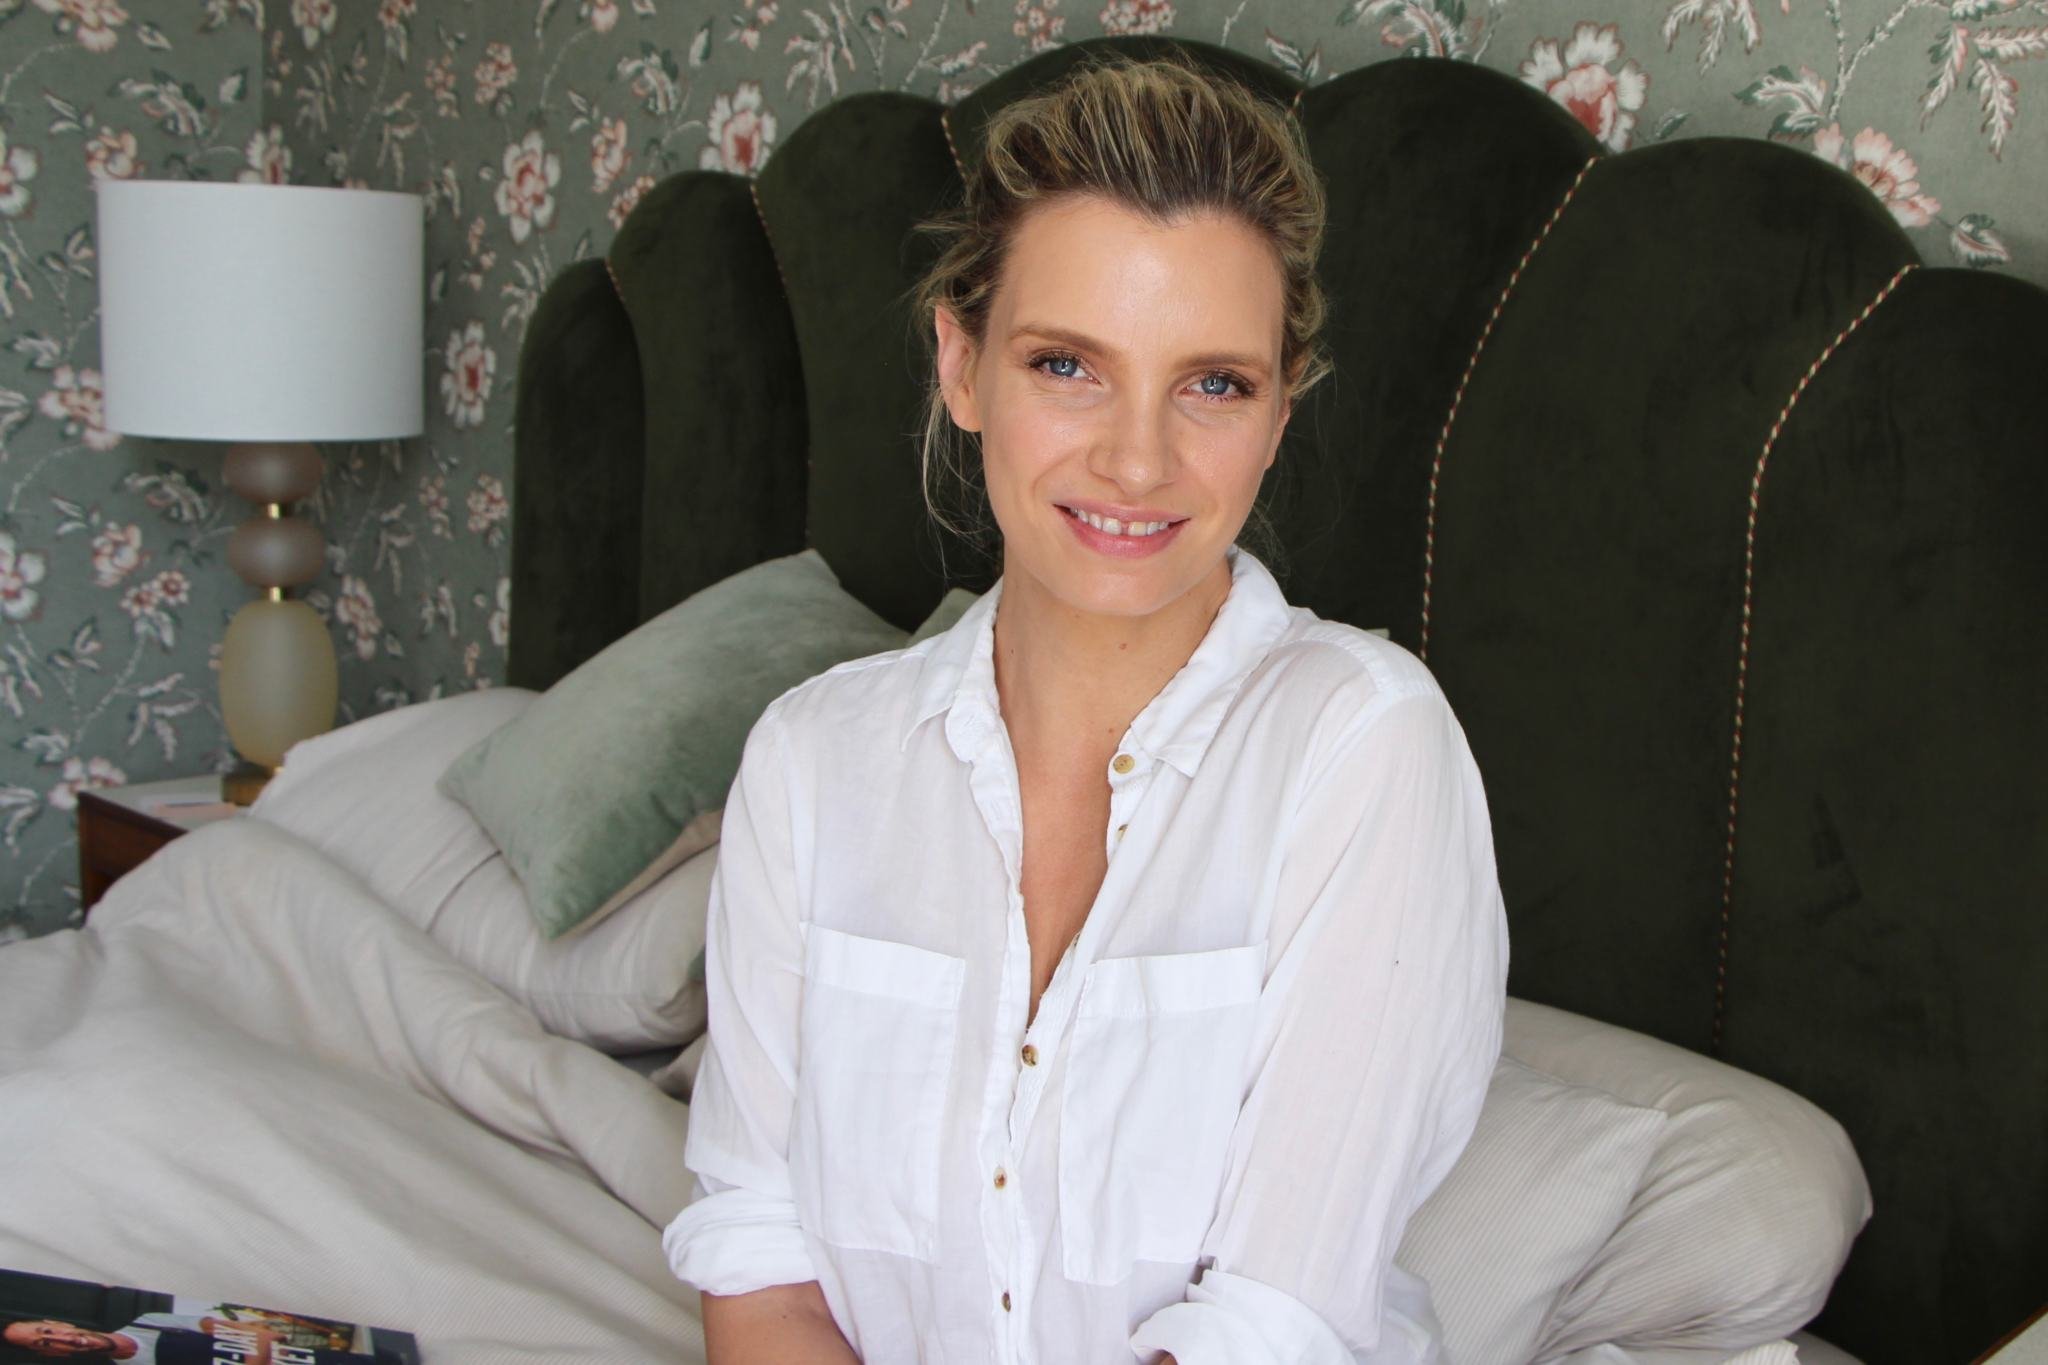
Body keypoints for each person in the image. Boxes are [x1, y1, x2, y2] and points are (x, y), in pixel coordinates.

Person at [663, 48, 1510, 1365]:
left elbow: (1268, 1325)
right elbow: (764, 1262)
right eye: (1068, 365)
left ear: (1281, 410)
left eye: (1214, 383)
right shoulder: (813, 761)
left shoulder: (1362, 746)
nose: (1137, 459)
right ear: (961, 366)